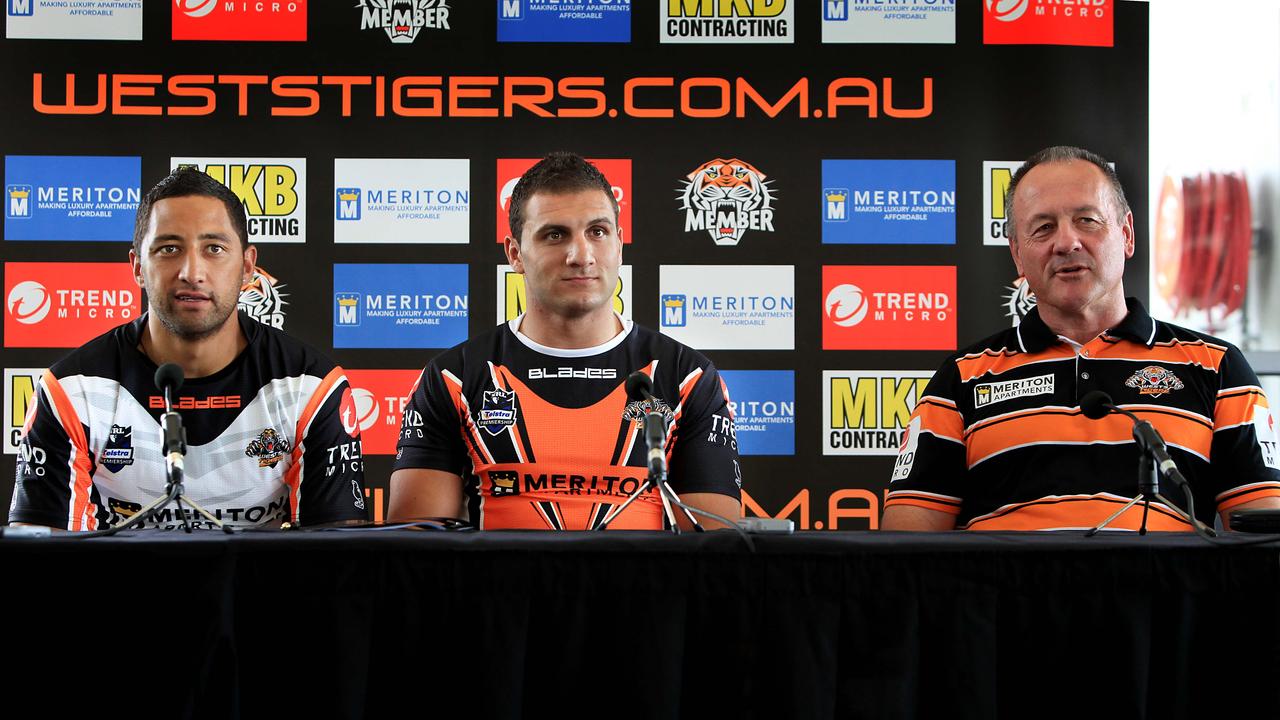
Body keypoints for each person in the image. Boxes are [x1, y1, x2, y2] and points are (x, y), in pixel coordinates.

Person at [882, 145, 1280, 531]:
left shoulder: (1217, 366)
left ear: (1126, 235)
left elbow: (1263, 538)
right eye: (1043, 228)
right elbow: (907, 546)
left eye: (1087, 220)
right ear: (1018, 255)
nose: (1066, 242)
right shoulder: (962, 378)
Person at [389, 152, 742, 530]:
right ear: (515, 254)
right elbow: (419, 552)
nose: (581, 256)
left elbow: (713, 556)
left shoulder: (686, 378)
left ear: (619, 244)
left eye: (598, 232)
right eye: (555, 235)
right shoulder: (454, 378)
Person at [9, 167, 368, 530]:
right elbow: (43, 559)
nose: (191, 271)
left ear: (247, 267)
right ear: (137, 267)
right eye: (169, 248)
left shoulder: (310, 387)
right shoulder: (73, 389)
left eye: (214, 248)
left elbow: (334, 562)